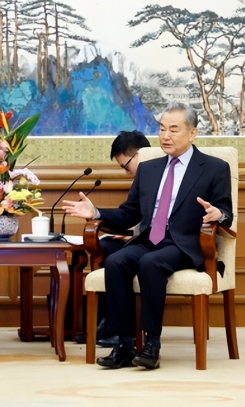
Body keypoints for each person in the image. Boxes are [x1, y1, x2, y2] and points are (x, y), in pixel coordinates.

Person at [63, 103, 232, 370]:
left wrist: (217, 214)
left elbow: (226, 211)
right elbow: (129, 213)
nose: (166, 136)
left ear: (192, 133)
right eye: (162, 129)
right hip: (149, 240)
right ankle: (125, 345)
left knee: (150, 263)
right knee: (116, 261)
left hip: (185, 244)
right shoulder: (149, 169)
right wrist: (95, 212)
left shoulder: (213, 168)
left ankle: (152, 345)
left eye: (174, 130)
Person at [92, 131, 151, 348]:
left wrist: (136, 236)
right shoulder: (142, 179)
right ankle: (105, 323)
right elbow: (130, 214)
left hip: (167, 243)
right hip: (143, 239)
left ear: (140, 155)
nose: (127, 173)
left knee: (114, 253)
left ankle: (117, 329)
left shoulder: (170, 172)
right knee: (107, 244)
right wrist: (95, 212)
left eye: (126, 166)